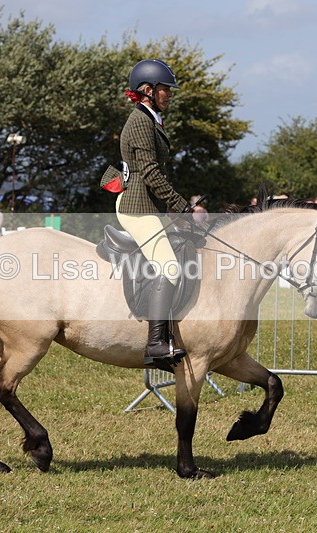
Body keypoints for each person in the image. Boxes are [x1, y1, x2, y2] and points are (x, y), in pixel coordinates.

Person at [107, 59, 191, 371]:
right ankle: (155, 343)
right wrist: (181, 206)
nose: (169, 94)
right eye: (165, 89)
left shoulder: (151, 118)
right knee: (169, 267)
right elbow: (151, 173)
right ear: (147, 90)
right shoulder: (141, 122)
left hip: (150, 205)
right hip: (137, 208)